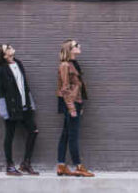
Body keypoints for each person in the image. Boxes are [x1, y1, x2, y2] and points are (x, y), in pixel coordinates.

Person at [0, 44, 39, 176]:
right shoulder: (0, 70)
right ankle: (10, 165)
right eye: (7, 47)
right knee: (9, 136)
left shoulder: (19, 63)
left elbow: (25, 86)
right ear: (4, 55)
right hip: (11, 108)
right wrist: (4, 111)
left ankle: (26, 163)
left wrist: (30, 103)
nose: (10, 47)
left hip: (24, 107)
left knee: (33, 131)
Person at [56, 39, 94, 177]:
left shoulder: (73, 64)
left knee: (66, 134)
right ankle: (78, 166)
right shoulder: (65, 65)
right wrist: (72, 108)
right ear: (70, 49)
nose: (79, 46)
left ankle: (61, 166)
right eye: (76, 45)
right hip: (70, 102)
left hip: (74, 102)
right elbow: (65, 89)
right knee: (73, 136)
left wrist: (80, 104)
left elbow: (78, 86)